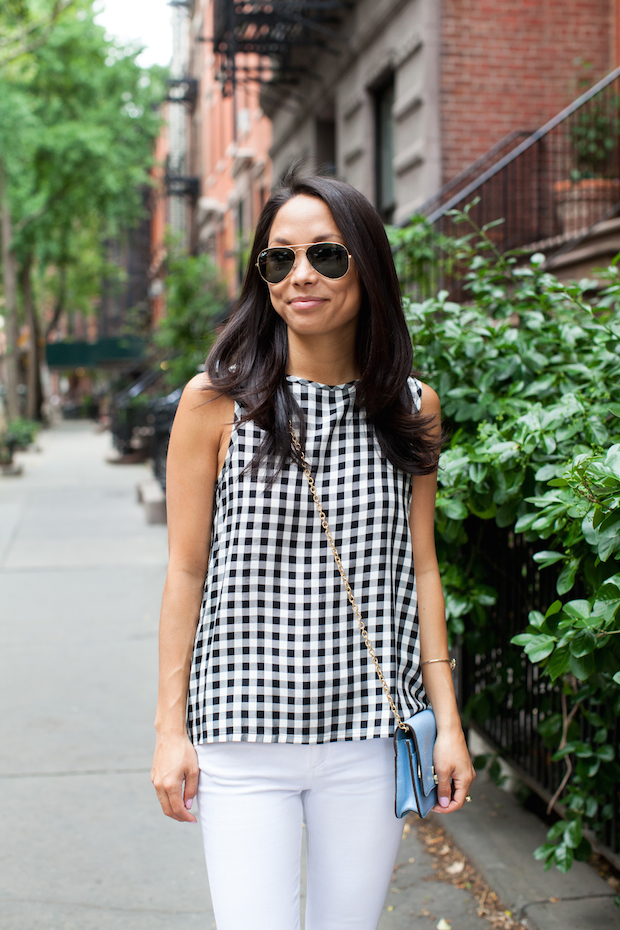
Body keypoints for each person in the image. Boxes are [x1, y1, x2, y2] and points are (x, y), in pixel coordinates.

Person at [151, 171, 475, 930]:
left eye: (327, 257)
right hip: (242, 730)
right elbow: (185, 572)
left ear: (367, 266)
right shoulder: (214, 403)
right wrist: (171, 731)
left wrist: (449, 723)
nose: (301, 276)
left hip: (367, 732)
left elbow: (421, 570)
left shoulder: (411, 408)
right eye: (279, 259)